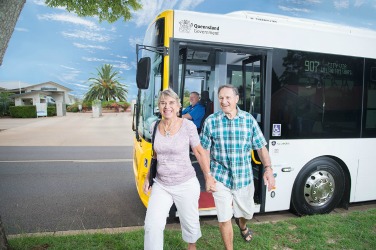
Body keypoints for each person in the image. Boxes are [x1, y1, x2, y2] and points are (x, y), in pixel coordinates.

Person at [200, 84, 276, 250]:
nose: (224, 101)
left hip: (244, 177)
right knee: (224, 217)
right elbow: (204, 149)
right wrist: (208, 175)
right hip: (220, 177)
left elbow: (261, 147)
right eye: (221, 98)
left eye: (228, 97)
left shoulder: (249, 120)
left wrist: (268, 169)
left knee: (247, 213)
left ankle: (242, 225)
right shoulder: (211, 121)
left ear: (236, 99)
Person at [143, 88, 214, 250]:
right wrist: (148, 178)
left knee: (190, 225)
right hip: (161, 184)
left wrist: (208, 176)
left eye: (171, 103)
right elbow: (154, 155)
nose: (167, 106)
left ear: (178, 106)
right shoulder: (154, 126)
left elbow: (199, 152)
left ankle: (191, 246)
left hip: (185, 183)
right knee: (151, 225)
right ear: (159, 106)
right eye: (163, 103)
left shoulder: (187, 126)